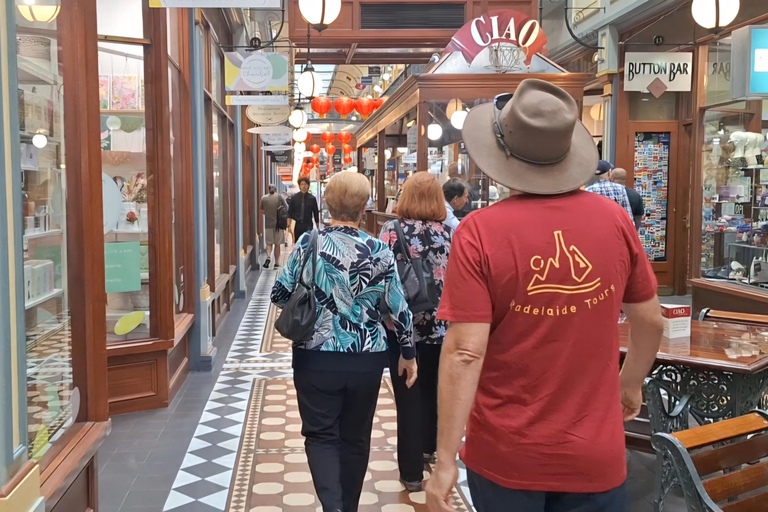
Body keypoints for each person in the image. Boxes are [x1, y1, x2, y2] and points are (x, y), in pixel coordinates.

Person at [425, 79, 663, 512]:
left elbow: (464, 352)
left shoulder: (480, 231)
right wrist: (629, 385)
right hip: (595, 451)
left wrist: (444, 460)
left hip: (506, 452)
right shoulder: (613, 219)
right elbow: (649, 320)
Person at [271, 171, 417, 512]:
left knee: (321, 436)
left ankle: (332, 507)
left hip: (314, 357)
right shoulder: (379, 250)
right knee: (356, 437)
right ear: (364, 207)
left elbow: (279, 293)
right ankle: (347, 507)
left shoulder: (309, 242)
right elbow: (399, 307)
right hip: (367, 359)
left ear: (327, 203)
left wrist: (315, 300)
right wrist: (408, 352)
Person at [379, 172, 453, 493]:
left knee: (407, 394)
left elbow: (381, 276)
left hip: (401, 326)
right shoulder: (452, 232)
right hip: (441, 325)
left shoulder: (392, 232)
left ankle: (411, 472)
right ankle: (428, 448)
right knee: (434, 388)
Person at [260, 184, 288, 269]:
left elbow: (262, 210)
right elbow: (286, 207)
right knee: (277, 244)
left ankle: (268, 256)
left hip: (268, 224)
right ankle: (277, 262)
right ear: (276, 189)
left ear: (268, 190)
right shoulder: (280, 197)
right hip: (278, 224)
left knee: (269, 243)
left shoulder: (263, 198)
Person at [288, 176, 320, 243]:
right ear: (299, 186)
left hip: (308, 224)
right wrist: (289, 226)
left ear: (308, 185)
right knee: (298, 243)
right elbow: (290, 212)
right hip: (298, 224)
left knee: (308, 242)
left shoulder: (312, 198)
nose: (304, 186)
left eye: (305, 184)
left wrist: (317, 226)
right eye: (302, 184)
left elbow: (315, 212)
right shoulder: (294, 198)